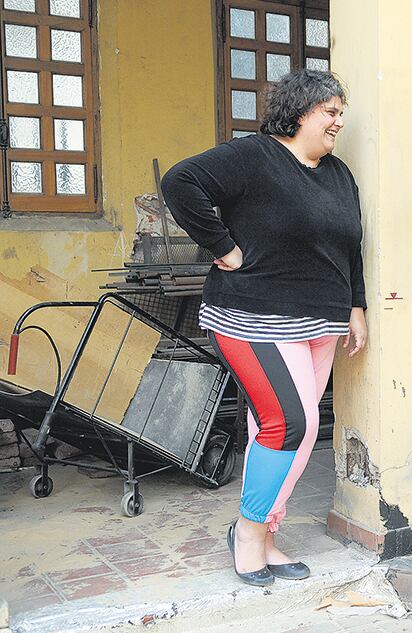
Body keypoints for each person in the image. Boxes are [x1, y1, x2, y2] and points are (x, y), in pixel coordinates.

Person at [162, 69, 367, 587]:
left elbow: (350, 245)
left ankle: (266, 532)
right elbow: (179, 183)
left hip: (321, 319)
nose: (339, 121)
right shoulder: (254, 156)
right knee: (288, 423)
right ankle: (249, 535)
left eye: (342, 112)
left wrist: (356, 306)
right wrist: (223, 248)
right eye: (331, 111)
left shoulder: (339, 175)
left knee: (290, 430)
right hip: (252, 314)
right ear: (301, 111)